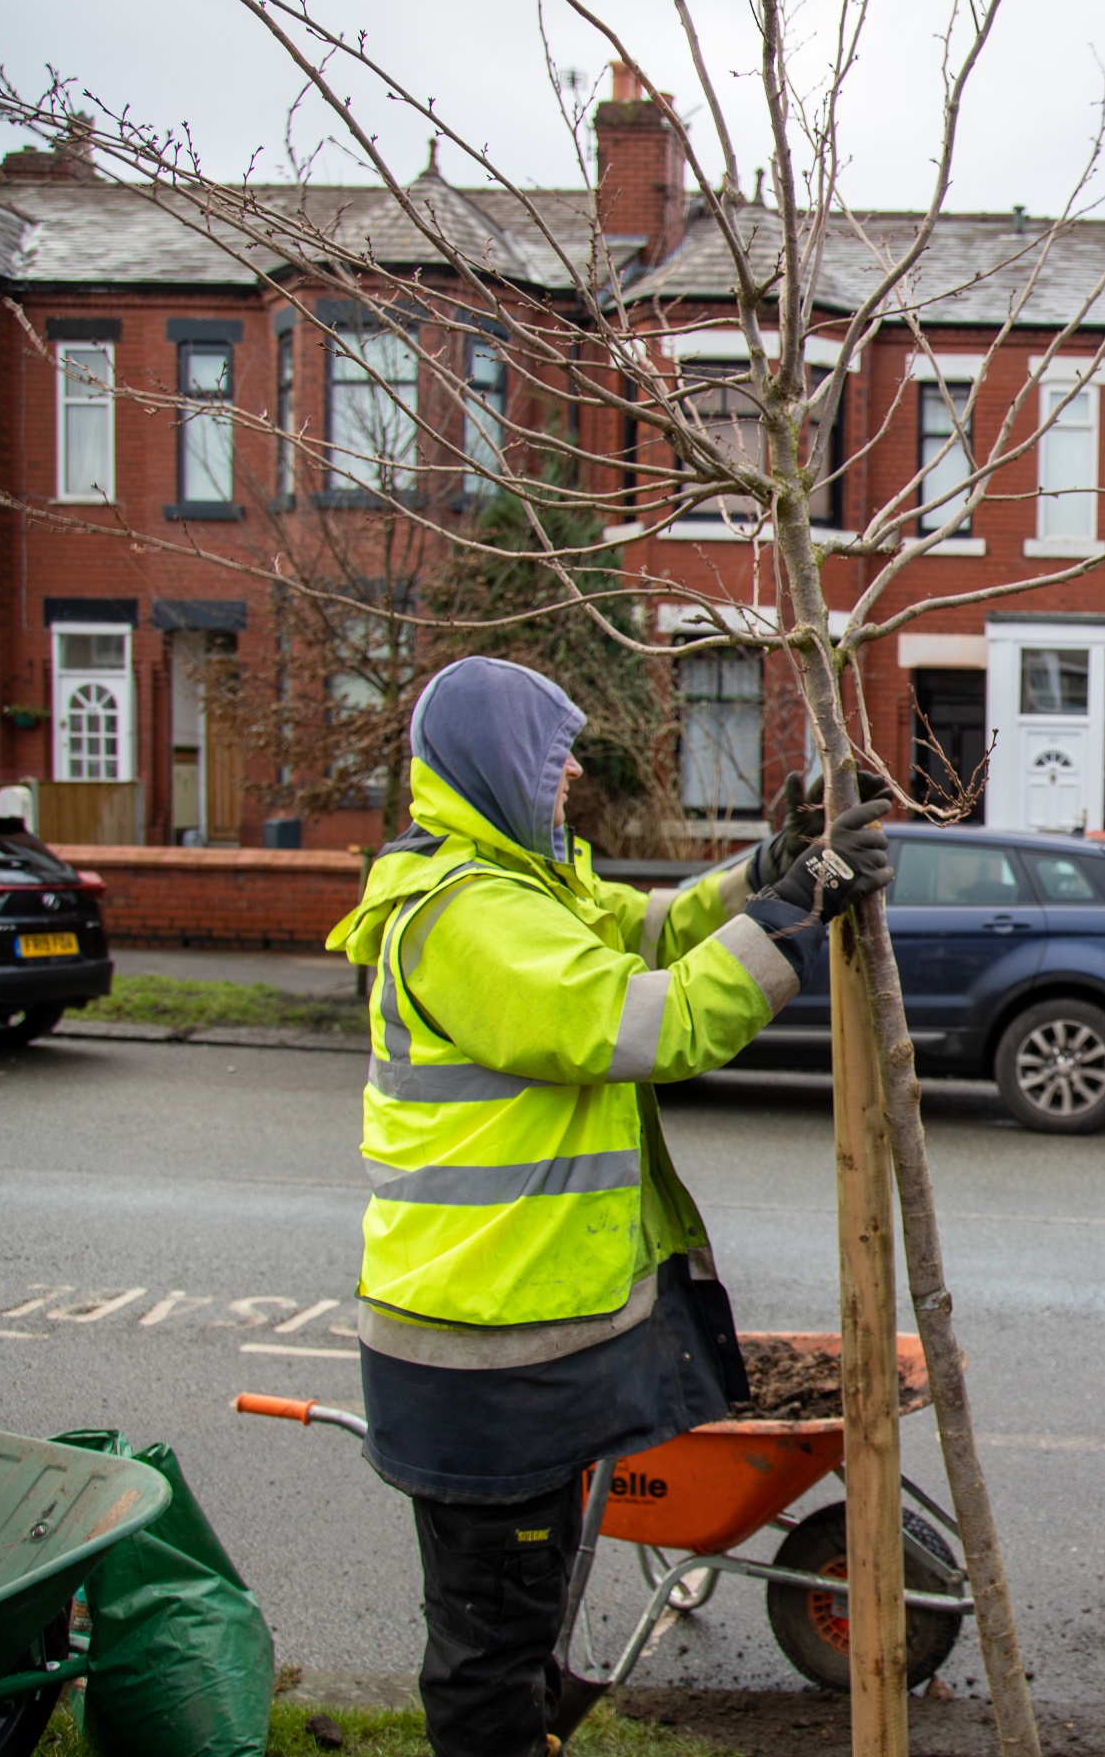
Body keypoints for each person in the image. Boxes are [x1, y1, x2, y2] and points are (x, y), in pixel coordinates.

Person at [326, 656, 893, 1756]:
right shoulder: (468, 916)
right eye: (553, 751)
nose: (575, 767)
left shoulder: (520, 887)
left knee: (516, 1627)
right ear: (495, 766)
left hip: (505, 1347)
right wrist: (796, 911)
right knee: (494, 1646)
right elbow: (646, 1022)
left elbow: (651, 927)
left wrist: (769, 870)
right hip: (486, 1363)